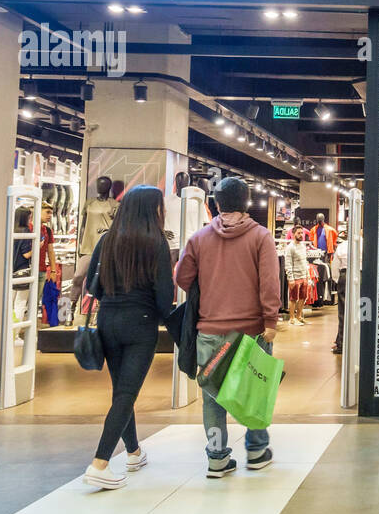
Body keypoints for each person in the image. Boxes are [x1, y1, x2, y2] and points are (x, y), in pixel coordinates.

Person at [175, 177, 280, 477]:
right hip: (251, 331)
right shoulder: (261, 237)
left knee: (212, 397)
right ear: (247, 202)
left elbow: (182, 278)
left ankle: (217, 458)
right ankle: (257, 450)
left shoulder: (198, 239)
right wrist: (270, 320)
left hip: (210, 331)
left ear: (216, 203)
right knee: (254, 390)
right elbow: (269, 283)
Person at [82, 186, 174, 490]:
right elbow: (163, 295)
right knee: (126, 393)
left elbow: (91, 286)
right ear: (152, 209)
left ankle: (134, 452)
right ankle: (100, 462)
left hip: (108, 320)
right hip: (140, 324)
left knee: (122, 389)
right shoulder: (156, 242)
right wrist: (168, 320)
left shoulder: (107, 240)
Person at [284, 230, 309, 326]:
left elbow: (305, 261)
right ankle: (292, 318)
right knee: (293, 298)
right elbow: (288, 263)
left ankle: (298, 316)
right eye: (298, 233)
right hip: (295, 276)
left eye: (302, 233)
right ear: (293, 234)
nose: (301, 235)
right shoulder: (290, 247)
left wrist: (307, 275)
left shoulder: (302, 246)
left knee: (303, 297)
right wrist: (291, 278)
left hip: (303, 275)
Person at [332, 228, 348, 354]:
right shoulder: (365, 244)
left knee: (343, 312)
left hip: (345, 275)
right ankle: (360, 343)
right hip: (362, 276)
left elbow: (335, 268)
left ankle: (342, 344)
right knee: (363, 311)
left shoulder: (342, 246)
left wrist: (339, 281)